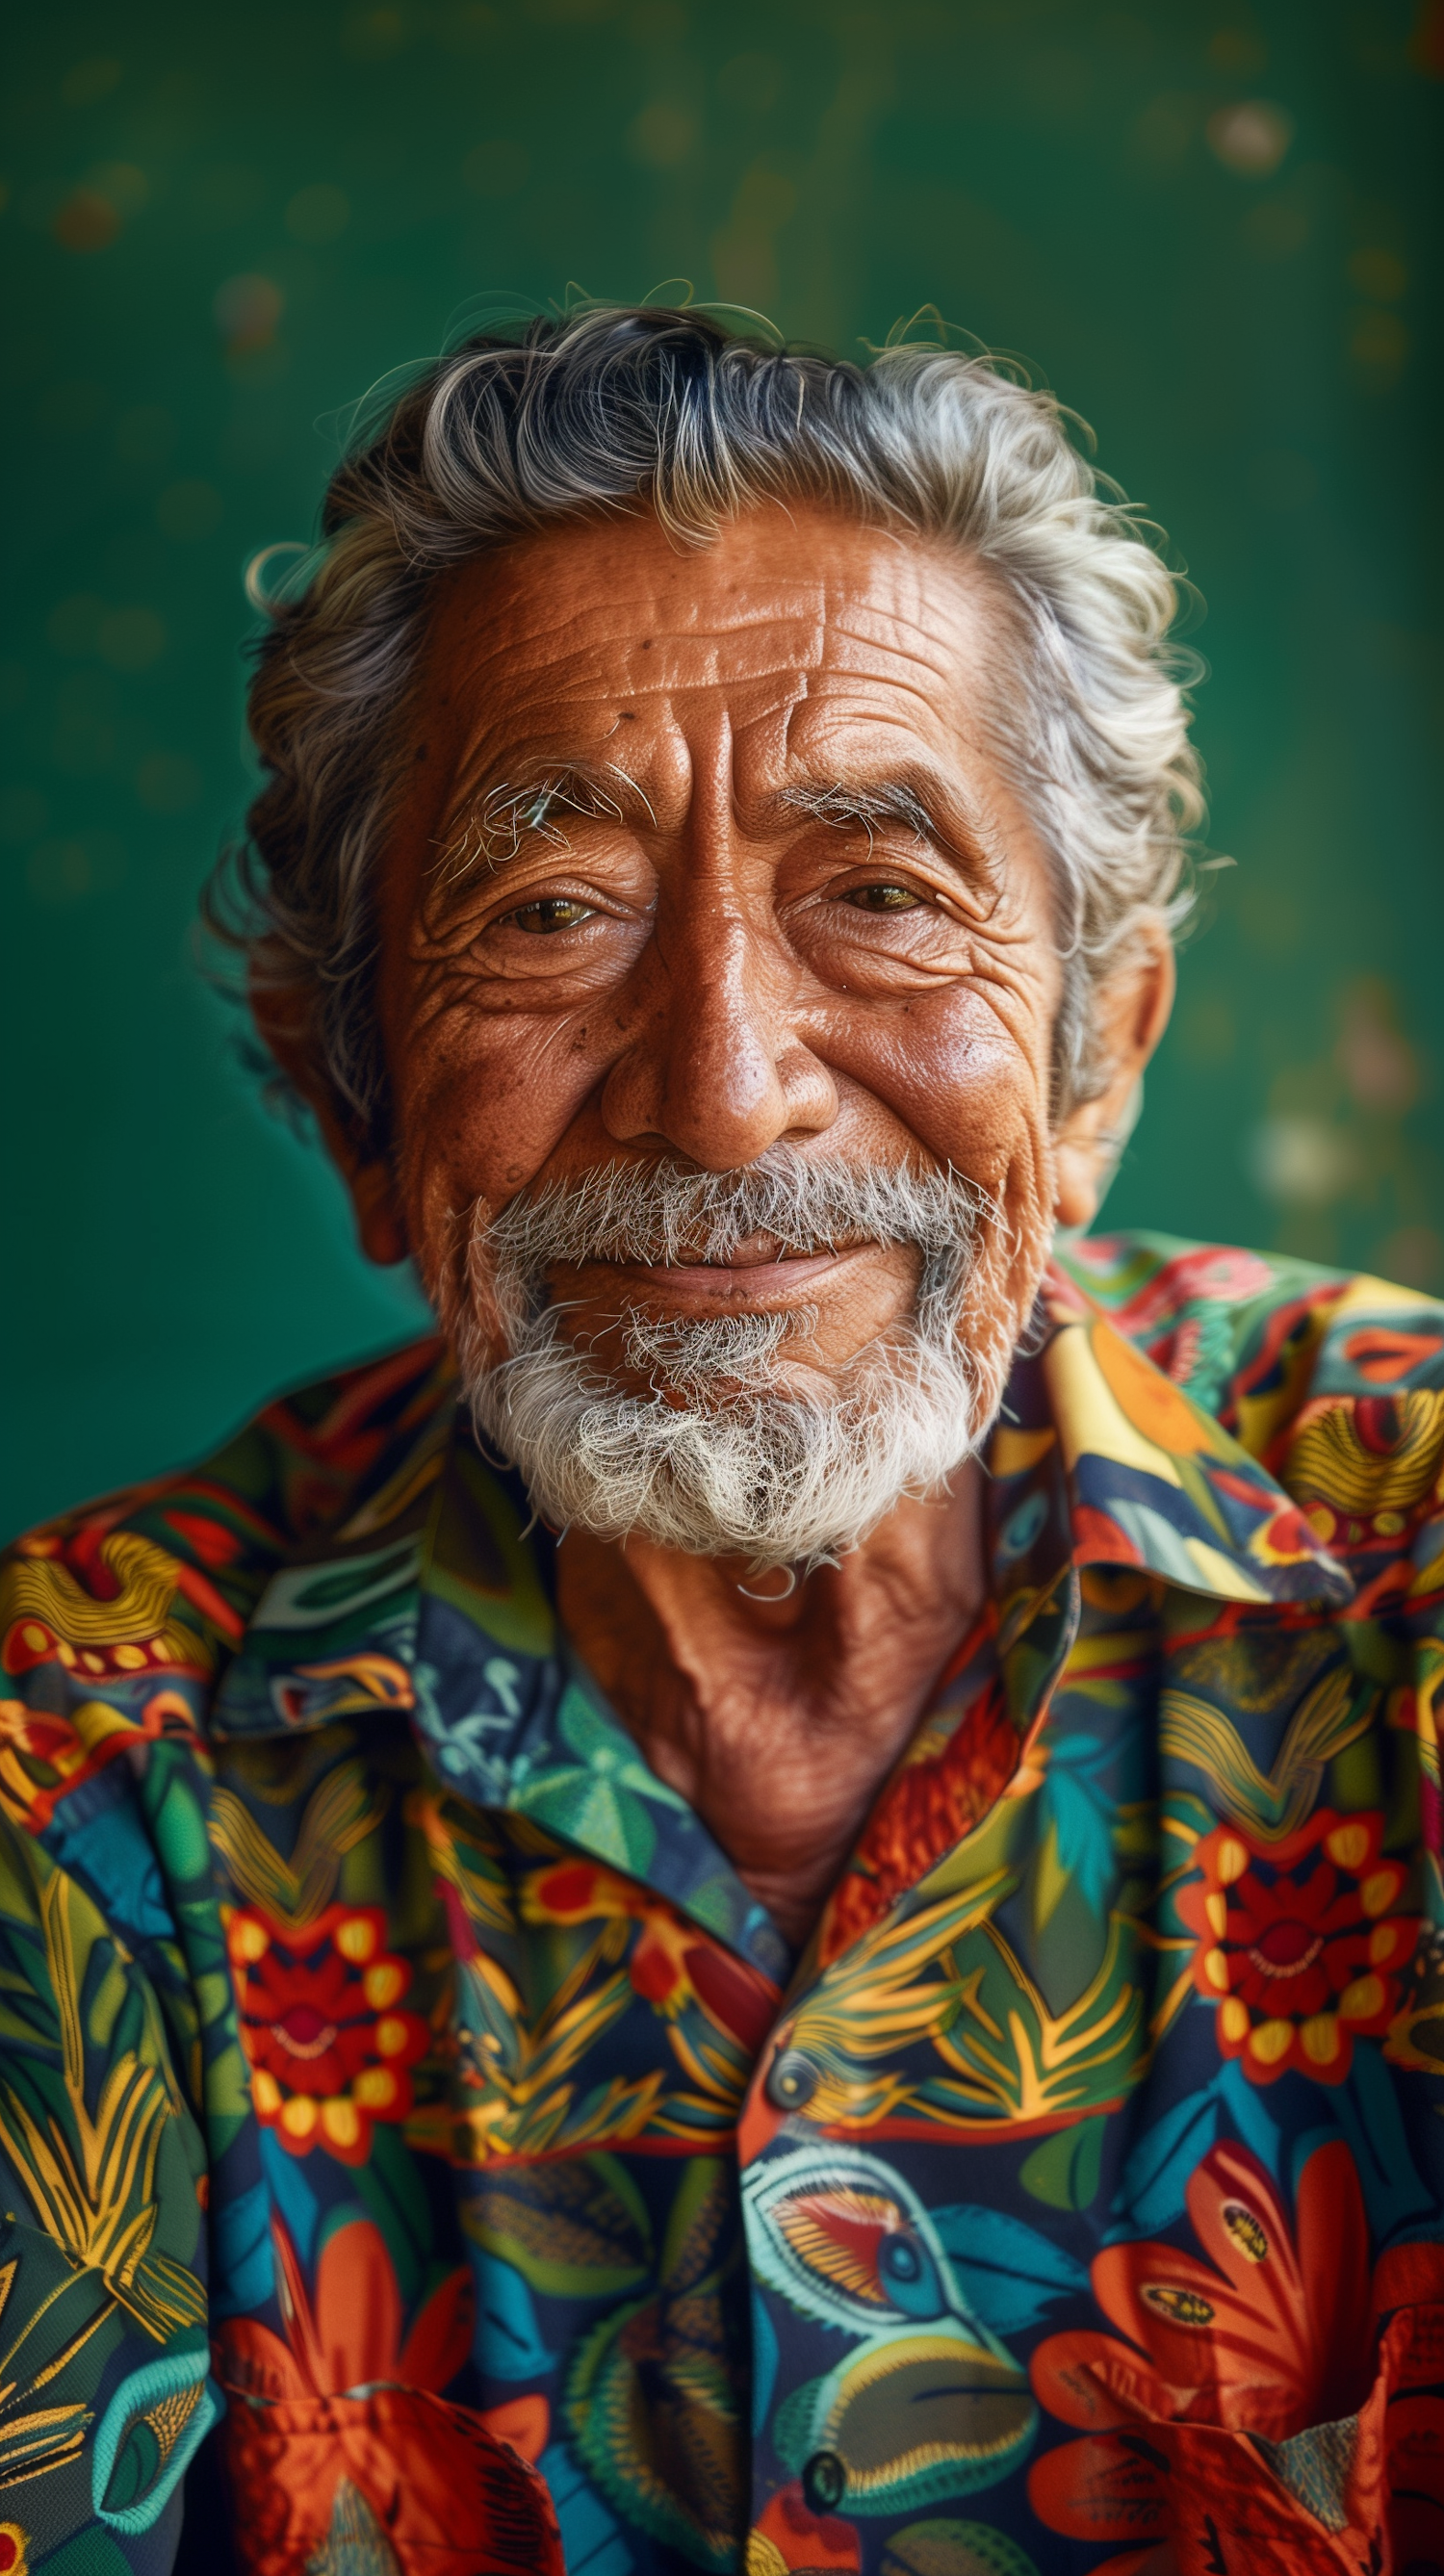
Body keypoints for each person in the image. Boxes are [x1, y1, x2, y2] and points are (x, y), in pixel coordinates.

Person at [3, 305, 1442, 2576]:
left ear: (1095, 1064)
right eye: (550, 914)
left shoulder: (1421, 1585)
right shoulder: (81, 1762)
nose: (722, 1084)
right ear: (355, 1098)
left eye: (880, 896)